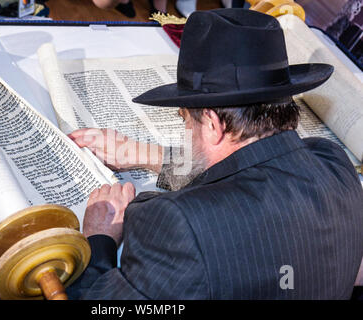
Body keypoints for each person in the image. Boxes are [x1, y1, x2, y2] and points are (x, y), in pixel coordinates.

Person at [67, 9, 363, 299]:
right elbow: (250, 170)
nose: (186, 127)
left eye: (184, 118)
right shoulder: (331, 161)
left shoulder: (178, 226)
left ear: (212, 123)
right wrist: (142, 154)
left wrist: (99, 239)